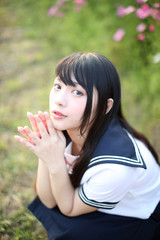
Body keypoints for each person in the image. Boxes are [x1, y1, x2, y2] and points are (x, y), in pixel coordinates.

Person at [15, 52, 160, 240]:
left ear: (106, 106)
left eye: (77, 92)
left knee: (75, 232)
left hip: (137, 217)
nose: (59, 100)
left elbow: (69, 208)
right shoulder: (71, 125)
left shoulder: (116, 167)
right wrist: (46, 151)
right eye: (58, 86)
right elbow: (48, 201)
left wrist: (55, 163)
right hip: (99, 201)